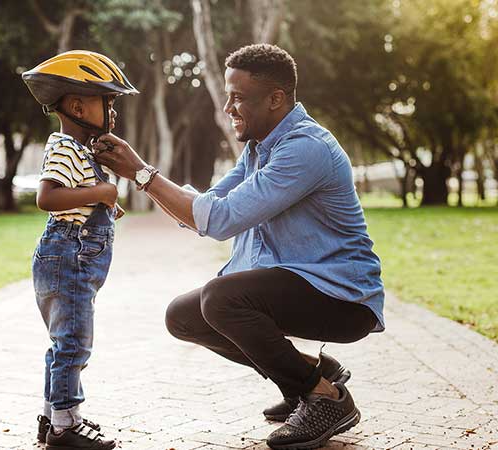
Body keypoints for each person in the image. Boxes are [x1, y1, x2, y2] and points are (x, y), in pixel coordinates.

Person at [94, 43, 385, 450]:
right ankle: (314, 374)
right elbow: (206, 206)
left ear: (276, 99)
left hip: (341, 296)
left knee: (221, 299)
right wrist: (141, 176)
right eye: (228, 97)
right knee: (183, 316)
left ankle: (326, 398)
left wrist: (141, 173)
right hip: (298, 286)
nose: (228, 108)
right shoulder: (257, 150)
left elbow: (221, 219)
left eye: (238, 98)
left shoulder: (306, 148)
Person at [22, 49, 138, 450]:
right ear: (76, 105)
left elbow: (78, 197)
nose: (113, 112)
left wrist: (105, 201)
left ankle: (51, 417)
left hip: (73, 256)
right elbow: (48, 198)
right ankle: (66, 427)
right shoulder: (63, 146)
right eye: (108, 102)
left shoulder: (81, 150)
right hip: (67, 254)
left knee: (64, 343)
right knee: (73, 344)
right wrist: (104, 190)